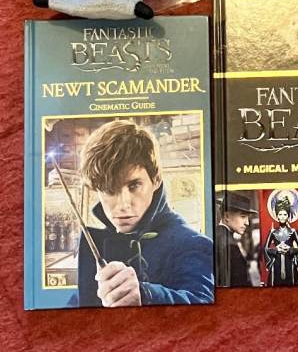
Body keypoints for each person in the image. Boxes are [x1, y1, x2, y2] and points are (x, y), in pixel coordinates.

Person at [71, 119, 214, 307]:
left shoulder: (192, 244)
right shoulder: (98, 243)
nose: (123, 204)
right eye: (109, 189)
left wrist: (146, 295)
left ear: (156, 180)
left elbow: (202, 303)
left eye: (134, 185)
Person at [216, 192, 258, 287]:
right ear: (227, 216)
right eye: (243, 216)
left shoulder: (217, 236)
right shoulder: (230, 245)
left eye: (247, 218)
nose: (247, 223)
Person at [263, 198, 298, 286]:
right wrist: (276, 249)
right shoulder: (273, 232)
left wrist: (290, 249)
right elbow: (265, 249)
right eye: (280, 214)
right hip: (276, 264)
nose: (282, 217)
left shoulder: (293, 231)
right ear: (277, 216)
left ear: (288, 216)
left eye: (285, 214)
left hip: (290, 263)